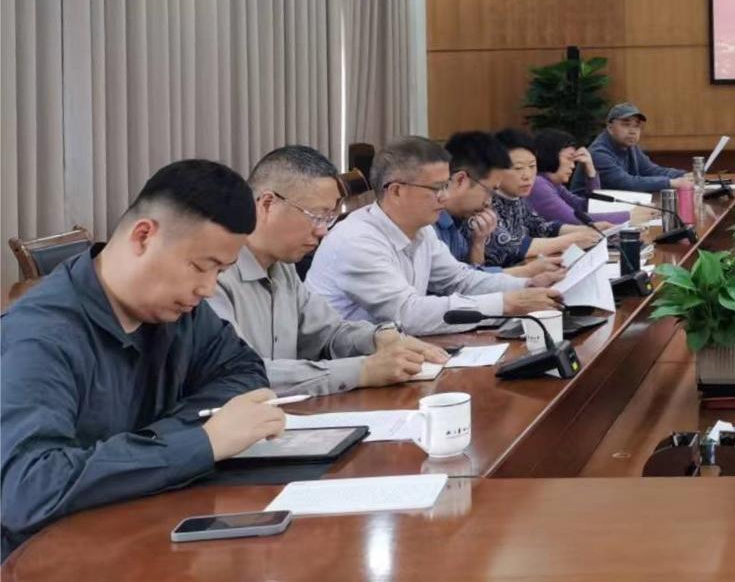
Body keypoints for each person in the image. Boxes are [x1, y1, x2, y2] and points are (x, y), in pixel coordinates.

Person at [1, 160, 284, 557]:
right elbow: (28, 489)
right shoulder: (40, 336)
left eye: (221, 272)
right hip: (49, 566)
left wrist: (160, 443)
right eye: (201, 267)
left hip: (145, 534)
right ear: (143, 236)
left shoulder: (178, 311)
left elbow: (243, 370)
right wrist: (200, 443)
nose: (207, 288)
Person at [210, 145, 450, 396]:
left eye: (329, 218)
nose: (323, 230)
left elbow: (328, 334)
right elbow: (241, 373)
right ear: (268, 204)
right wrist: (362, 371)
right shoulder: (214, 276)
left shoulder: (283, 269)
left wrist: (378, 338)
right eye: (316, 216)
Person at [306, 136, 562, 335]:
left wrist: (527, 286)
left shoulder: (422, 229)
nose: (445, 196)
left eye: (446, 186)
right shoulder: (358, 241)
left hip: (393, 352)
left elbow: (460, 280)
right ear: (396, 191)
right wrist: (506, 304)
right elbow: (407, 314)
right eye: (436, 188)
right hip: (341, 365)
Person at [434, 131, 560, 278]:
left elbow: (471, 279)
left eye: (532, 166)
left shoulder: (458, 220)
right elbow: (454, 283)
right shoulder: (430, 224)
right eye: (489, 191)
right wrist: (528, 271)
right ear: (460, 180)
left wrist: (478, 243)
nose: (489, 202)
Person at [484, 129, 601, 268]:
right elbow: (510, 246)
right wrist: (570, 240)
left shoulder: (517, 198)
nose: (527, 175)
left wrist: (585, 229)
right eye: (518, 168)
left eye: (532, 166)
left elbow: (540, 227)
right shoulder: (484, 201)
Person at [529, 128, 628, 228]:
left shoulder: (554, 185)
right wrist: (630, 216)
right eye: (569, 158)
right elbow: (575, 220)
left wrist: (591, 173)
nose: (573, 166)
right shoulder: (538, 184)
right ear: (550, 156)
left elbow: (588, 208)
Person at [588, 103, 690, 194]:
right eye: (626, 125)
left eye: (636, 126)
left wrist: (684, 175)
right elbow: (626, 183)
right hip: (588, 207)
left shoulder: (630, 146)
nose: (632, 131)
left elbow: (651, 170)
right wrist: (671, 183)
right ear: (610, 128)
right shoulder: (599, 153)